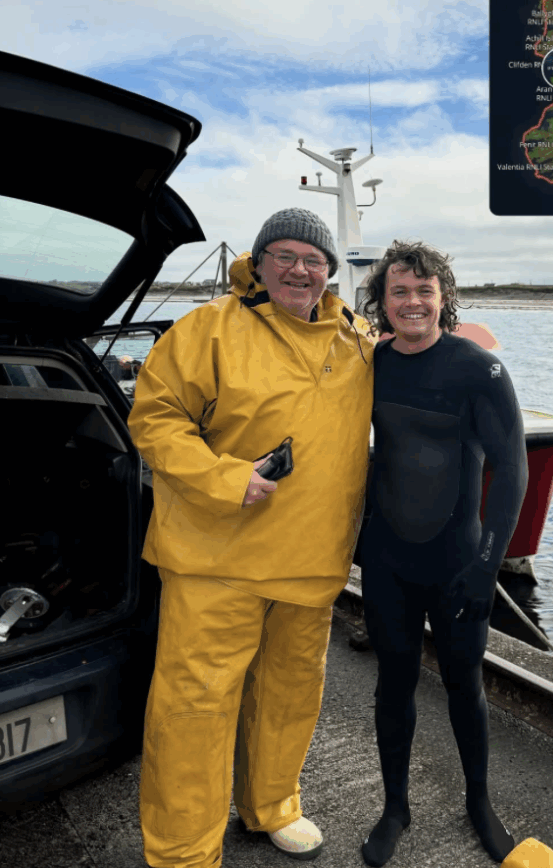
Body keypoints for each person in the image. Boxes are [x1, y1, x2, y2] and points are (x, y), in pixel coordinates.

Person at [128, 208, 374, 867]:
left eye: (314, 260)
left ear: (329, 273)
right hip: (216, 560)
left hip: (313, 562)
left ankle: (273, 807)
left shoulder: (356, 340)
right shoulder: (207, 329)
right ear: (259, 264)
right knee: (194, 708)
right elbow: (154, 418)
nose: (300, 269)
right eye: (286, 255)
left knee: (291, 694)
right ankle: (183, 852)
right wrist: (219, 476)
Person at [357, 240, 529, 866]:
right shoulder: (372, 362)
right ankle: (394, 806)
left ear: (443, 298)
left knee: (464, 684)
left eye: (424, 291)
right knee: (393, 683)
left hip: (457, 560)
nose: (412, 302)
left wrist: (487, 567)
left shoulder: (477, 368)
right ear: (382, 301)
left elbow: (511, 475)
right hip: (388, 560)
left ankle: (479, 802)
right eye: (399, 291)